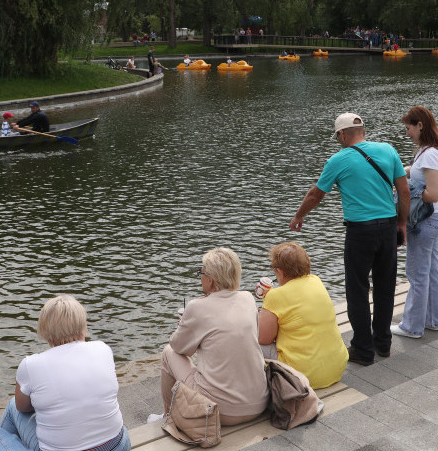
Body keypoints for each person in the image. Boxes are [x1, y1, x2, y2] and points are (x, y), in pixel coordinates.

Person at [290, 113, 408, 366]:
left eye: (338, 137)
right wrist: (401, 223)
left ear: (342, 135)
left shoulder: (338, 160)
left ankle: (363, 351)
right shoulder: (388, 150)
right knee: (385, 287)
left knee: (357, 290)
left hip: (360, 232)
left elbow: (315, 195)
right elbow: (404, 190)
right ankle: (383, 344)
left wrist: (299, 216)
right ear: (362, 131)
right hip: (388, 227)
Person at [0, 295, 131, 451]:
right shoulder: (103, 349)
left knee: (12, 407)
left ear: (46, 331)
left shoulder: (31, 365)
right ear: (82, 324)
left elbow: (22, 407)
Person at [157, 247, 269, 426]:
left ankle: (167, 416)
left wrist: (185, 324)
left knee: (168, 352)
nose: (200, 275)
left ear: (210, 280)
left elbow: (179, 348)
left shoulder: (196, 307)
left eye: (201, 271)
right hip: (259, 404)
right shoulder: (248, 298)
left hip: (219, 411)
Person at [392, 106, 438, 339]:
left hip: (425, 221)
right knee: (432, 271)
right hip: (435, 218)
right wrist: (403, 171)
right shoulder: (435, 149)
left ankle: (412, 327)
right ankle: (433, 320)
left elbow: (434, 193)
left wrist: (408, 192)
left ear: (420, 125)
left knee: (417, 274)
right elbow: (419, 172)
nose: (407, 134)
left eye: (409, 128)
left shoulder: (429, 155)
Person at [257, 242, 348, 388]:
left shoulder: (275, 296)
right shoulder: (316, 281)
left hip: (302, 376)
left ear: (280, 271)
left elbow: (263, 338)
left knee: (251, 342)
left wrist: (262, 312)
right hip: (336, 368)